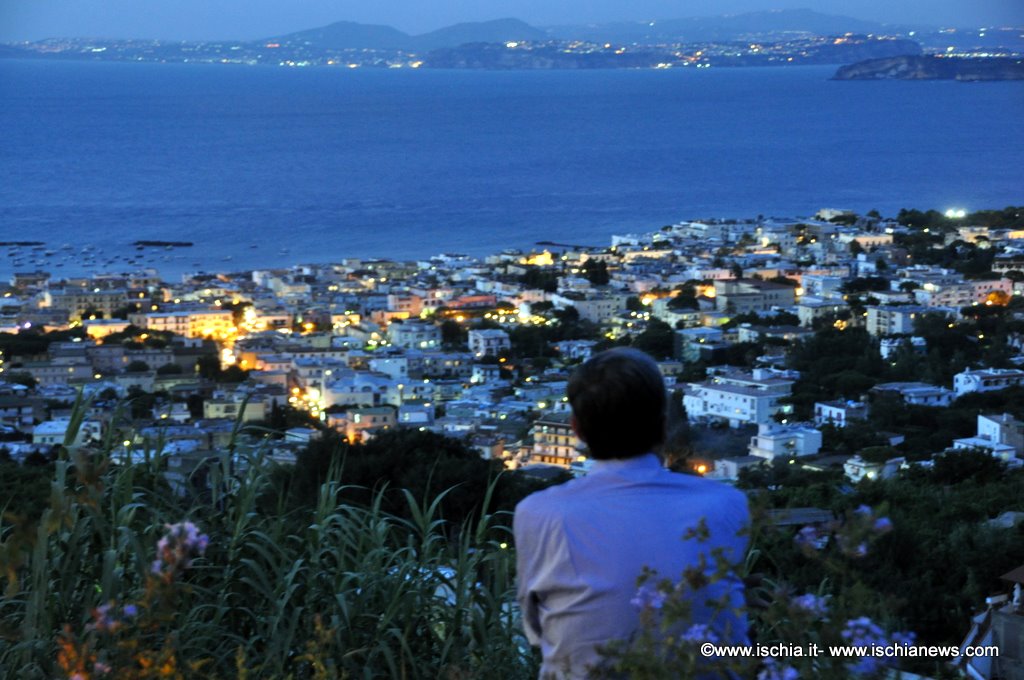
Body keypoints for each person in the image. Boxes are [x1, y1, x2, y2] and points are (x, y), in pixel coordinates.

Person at [514, 348, 750, 678]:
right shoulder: (726, 503)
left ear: (577, 429)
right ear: (663, 426)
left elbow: (538, 631)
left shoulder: (538, 513)